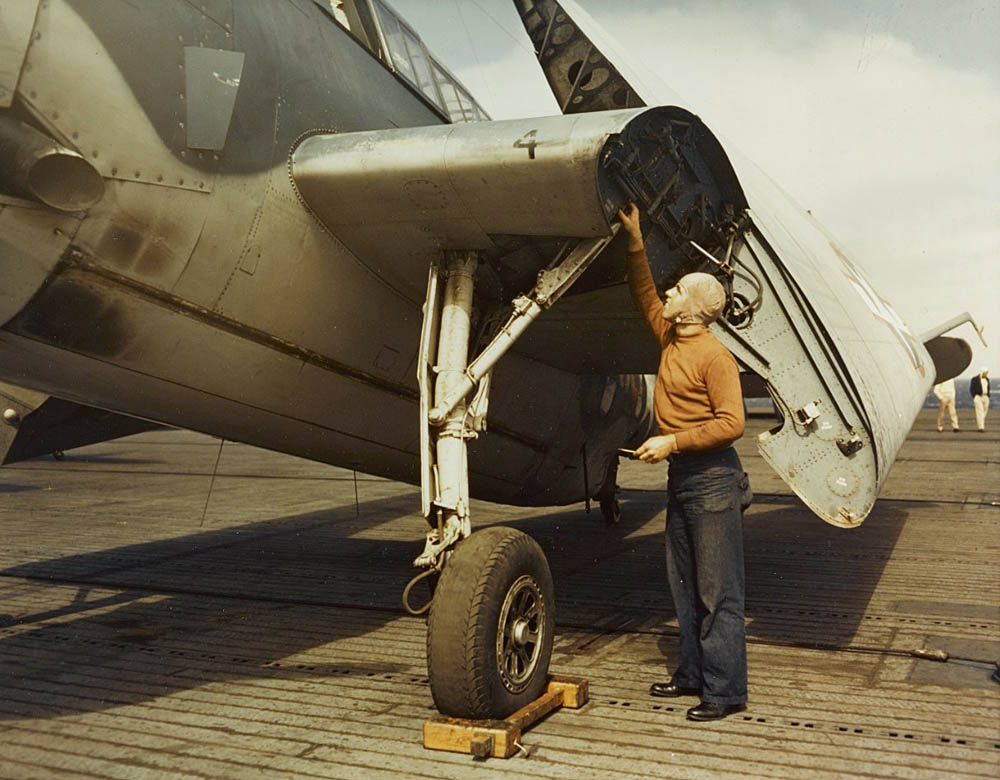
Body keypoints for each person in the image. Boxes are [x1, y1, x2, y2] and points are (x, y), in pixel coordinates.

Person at [618, 203, 748, 722]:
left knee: (718, 593)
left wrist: (671, 442)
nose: (668, 294)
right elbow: (643, 291)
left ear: (692, 308)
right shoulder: (672, 336)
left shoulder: (716, 357)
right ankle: (692, 675)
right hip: (684, 479)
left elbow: (732, 423)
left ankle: (724, 692)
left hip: (714, 480)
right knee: (685, 585)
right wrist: (634, 239)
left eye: (677, 291)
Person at [970, 368, 990, 432]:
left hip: (985, 396)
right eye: (986, 372)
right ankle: (981, 427)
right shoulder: (975, 379)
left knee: (985, 411)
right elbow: (971, 388)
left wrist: (988, 395)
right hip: (978, 396)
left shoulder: (987, 379)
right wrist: (974, 396)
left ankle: (980, 422)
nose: (986, 374)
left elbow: (988, 387)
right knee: (980, 411)